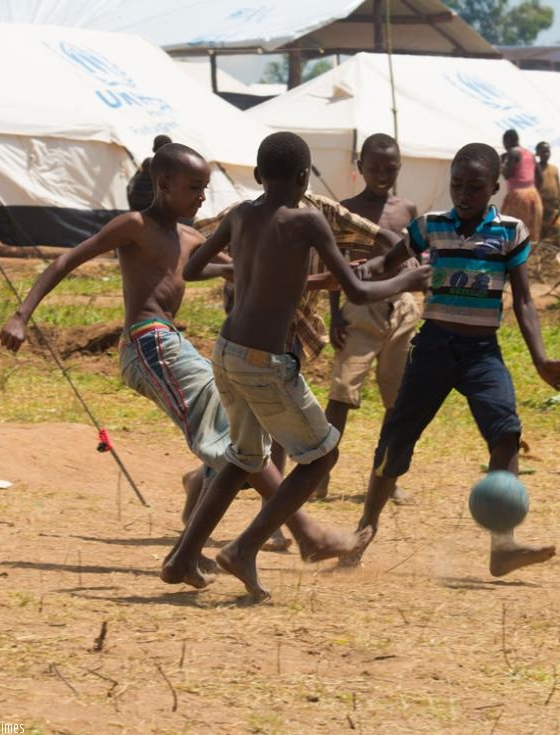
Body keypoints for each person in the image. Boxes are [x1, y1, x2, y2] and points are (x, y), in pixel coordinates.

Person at [0, 142, 362, 570]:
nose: (201, 197)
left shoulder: (191, 237)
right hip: (148, 342)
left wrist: (325, 281)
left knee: (238, 433)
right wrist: (22, 315)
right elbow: (67, 260)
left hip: (171, 342)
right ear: (163, 183)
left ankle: (199, 509)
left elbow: (251, 271)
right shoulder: (133, 225)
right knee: (231, 436)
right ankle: (304, 532)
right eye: (193, 187)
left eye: (205, 188)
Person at [160, 132, 430, 600]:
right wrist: (411, 277)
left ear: (260, 176)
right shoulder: (308, 221)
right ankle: (244, 547)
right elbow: (358, 292)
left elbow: (190, 268)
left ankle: (183, 556)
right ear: (305, 178)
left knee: (243, 458)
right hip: (266, 361)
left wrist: (241, 270)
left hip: (227, 352)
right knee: (322, 456)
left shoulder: (242, 214)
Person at [339, 142, 560, 576]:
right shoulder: (428, 226)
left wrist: (540, 360)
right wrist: (362, 271)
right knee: (396, 438)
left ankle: (502, 547)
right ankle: (364, 530)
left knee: (505, 434)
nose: (464, 193)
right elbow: (388, 266)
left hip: (481, 353)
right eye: (457, 184)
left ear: (494, 187)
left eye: (475, 186)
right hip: (433, 348)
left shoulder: (510, 232)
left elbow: (522, 301)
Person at [319, 133, 421, 502]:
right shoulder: (345, 209)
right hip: (360, 310)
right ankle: (319, 475)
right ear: (360, 167)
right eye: (374, 168)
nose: (382, 174)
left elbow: (419, 252)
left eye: (389, 168)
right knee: (342, 394)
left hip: (402, 308)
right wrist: (334, 315)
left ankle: (387, 477)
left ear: (398, 168)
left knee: (398, 401)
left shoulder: (406, 208)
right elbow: (333, 264)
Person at [501, 129, 543, 246]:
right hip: (533, 194)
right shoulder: (530, 153)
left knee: (512, 231)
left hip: (518, 196)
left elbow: (507, 174)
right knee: (531, 231)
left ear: (508, 140)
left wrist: (503, 165)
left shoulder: (513, 152)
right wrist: (532, 190)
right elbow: (540, 177)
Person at [126, 134, 173, 211]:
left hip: (135, 204)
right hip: (148, 207)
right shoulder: (163, 166)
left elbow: (129, 186)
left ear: (154, 149)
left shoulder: (147, 162)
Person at [535, 141, 560, 249]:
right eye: (543, 152)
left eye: (548, 151)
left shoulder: (554, 168)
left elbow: (558, 185)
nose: (546, 154)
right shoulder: (535, 169)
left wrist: (559, 198)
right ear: (537, 154)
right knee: (542, 235)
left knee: (559, 233)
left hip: (554, 207)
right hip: (541, 207)